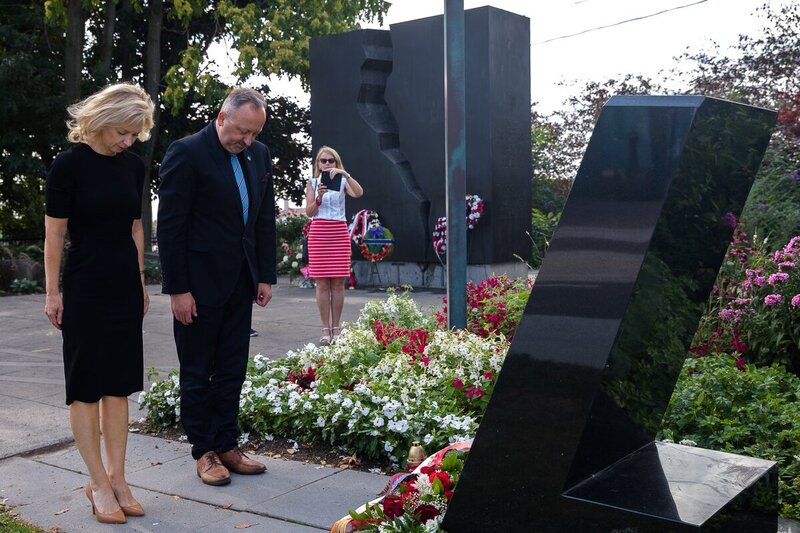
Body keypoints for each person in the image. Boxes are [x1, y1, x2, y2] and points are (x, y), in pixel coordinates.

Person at [43, 83, 155, 524]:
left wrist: (141, 279)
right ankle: (97, 482)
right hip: (85, 284)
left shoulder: (132, 167)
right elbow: (54, 234)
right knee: (87, 384)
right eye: (124, 132)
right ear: (104, 120)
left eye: (135, 135)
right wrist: (53, 292)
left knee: (120, 383)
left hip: (125, 286)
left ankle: (119, 478)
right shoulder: (67, 166)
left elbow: (135, 229)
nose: (128, 141)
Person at [157, 88, 276, 486]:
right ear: (222, 118)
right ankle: (204, 451)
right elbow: (171, 227)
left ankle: (227, 443)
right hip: (198, 285)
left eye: (254, 133)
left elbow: (263, 220)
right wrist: (178, 289)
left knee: (232, 370)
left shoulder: (258, 156)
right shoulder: (186, 152)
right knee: (196, 372)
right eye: (242, 131)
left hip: (241, 281)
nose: (247, 140)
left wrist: (265, 274)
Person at [304, 146, 364, 345]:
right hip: (319, 232)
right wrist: (319, 198)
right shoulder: (312, 183)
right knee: (322, 283)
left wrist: (345, 173)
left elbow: (358, 193)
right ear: (318, 164)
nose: (327, 164)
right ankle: (324, 329)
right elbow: (309, 212)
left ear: (336, 162)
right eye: (323, 161)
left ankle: (336, 327)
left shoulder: (344, 181)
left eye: (331, 160)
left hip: (338, 232)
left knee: (338, 283)